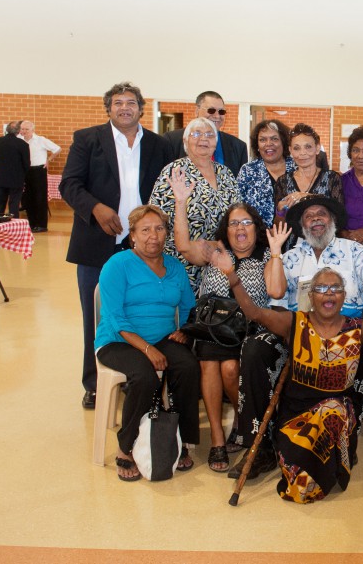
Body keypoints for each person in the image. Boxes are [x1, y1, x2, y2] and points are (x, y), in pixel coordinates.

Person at [213, 255, 363, 502]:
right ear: (311, 296)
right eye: (321, 289)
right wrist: (231, 274)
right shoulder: (293, 323)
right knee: (300, 485)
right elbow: (253, 312)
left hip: (336, 417)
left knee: (332, 411)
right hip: (295, 418)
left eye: (335, 288)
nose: (329, 294)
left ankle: (339, 455)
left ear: (343, 296)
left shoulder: (357, 328)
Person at [231, 194, 363, 481]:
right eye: (309, 216)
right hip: (300, 331)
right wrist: (276, 253)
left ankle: (345, 437)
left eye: (322, 214)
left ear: (332, 220)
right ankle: (261, 445)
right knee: (255, 349)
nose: (316, 218)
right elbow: (276, 296)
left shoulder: (353, 250)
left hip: (347, 331)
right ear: (303, 224)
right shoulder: (291, 255)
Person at [60, 81, 173, 410]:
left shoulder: (158, 144)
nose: (125, 107)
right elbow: (69, 183)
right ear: (108, 108)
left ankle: (136, 376)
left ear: (141, 107)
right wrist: (95, 208)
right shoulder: (88, 140)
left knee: (142, 313)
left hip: (145, 246)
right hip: (98, 243)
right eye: (118, 102)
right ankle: (94, 382)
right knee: (96, 316)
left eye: (131, 102)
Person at [169, 167, 284, 473]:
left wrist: (275, 254)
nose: (240, 228)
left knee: (231, 369)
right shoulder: (215, 250)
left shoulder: (263, 256)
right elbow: (182, 246)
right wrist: (181, 202)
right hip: (210, 326)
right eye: (234, 223)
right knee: (209, 362)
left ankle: (241, 422)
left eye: (247, 222)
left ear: (256, 228)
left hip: (248, 329)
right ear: (226, 229)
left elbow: (275, 290)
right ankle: (219, 439)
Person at [94, 205, 200, 481]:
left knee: (188, 366)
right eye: (145, 230)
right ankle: (125, 447)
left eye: (159, 228)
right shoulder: (117, 265)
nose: (153, 235)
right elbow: (115, 317)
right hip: (118, 341)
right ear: (133, 236)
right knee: (144, 376)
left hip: (161, 338)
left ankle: (181, 439)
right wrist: (147, 348)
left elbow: (189, 307)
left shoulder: (175, 267)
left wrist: (185, 332)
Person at [150, 118, 239, 287]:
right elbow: (156, 218)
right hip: (180, 264)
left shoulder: (225, 173)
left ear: (215, 142)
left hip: (219, 263)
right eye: (196, 133)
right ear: (186, 141)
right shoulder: (174, 171)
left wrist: (220, 246)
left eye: (209, 134)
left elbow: (237, 215)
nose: (203, 139)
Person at [164, 91, 248, 179]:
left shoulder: (238, 146)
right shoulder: (171, 141)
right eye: (211, 110)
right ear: (197, 111)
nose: (217, 116)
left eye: (221, 112)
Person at [274, 123, 343, 227]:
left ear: (317, 148)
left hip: (323, 241)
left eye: (308, 147)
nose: (302, 153)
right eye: (297, 148)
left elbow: (339, 215)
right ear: (290, 150)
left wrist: (308, 197)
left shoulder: (332, 178)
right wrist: (280, 211)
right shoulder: (283, 182)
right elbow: (278, 226)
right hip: (292, 242)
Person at [237, 119, 294, 227]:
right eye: (262, 140)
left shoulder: (297, 167)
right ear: (257, 145)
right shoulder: (248, 171)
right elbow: (239, 207)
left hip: (296, 238)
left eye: (274, 139)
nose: (268, 144)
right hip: (259, 238)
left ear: (284, 142)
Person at [18, 120, 61, 232]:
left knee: (40, 197)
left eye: (26, 129)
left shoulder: (40, 140)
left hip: (38, 170)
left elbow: (57, 148)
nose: (24, 131)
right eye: (22, 129)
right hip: (24, 170)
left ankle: (41, 225)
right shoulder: (18, 140)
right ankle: (31, 224)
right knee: (27, 198)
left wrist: (49, 159)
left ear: (32, 129)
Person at [0, 121, 30, 218]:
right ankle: (13, 224)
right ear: (19, 131)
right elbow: (26, 164)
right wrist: (23, 175)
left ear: (6, 130)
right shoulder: (23, 144)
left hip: (0, 177)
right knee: (14, 204)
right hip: (17, 178)